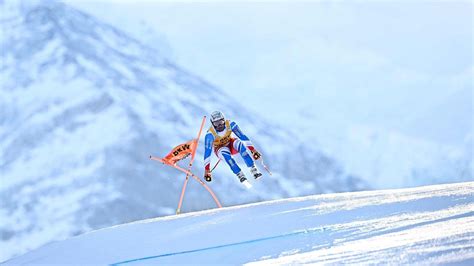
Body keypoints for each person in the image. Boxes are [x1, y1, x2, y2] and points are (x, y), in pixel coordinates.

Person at [203, 111, 262, 185]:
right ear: (212, 123)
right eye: (216, 123)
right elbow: (207, 152)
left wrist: (253, 150)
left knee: (240, 145)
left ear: (224, 120)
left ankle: (254, 170)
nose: (219, 125)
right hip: (219, 148)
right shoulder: (210, 134)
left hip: (230, 143)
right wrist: (207, 169)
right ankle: (240, 175)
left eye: (221, 122)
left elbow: (242, 137)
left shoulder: (231, 125)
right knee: (227, 156)